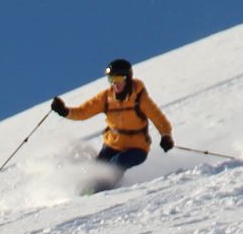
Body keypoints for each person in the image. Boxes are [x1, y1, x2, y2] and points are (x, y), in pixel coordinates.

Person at [51, 59, 174, 192]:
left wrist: (165, 136)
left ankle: (101, 190)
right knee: (97, 168)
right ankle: (82, 190)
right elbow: (83, 112)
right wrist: (64, 111)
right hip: (112, 144)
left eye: (119, 78)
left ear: (127, 78)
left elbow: (158, 118)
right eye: (112, 79)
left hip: (137, 147)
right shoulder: (106, 98)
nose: (115, 83)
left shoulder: (139, 98)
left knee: (118, 162)